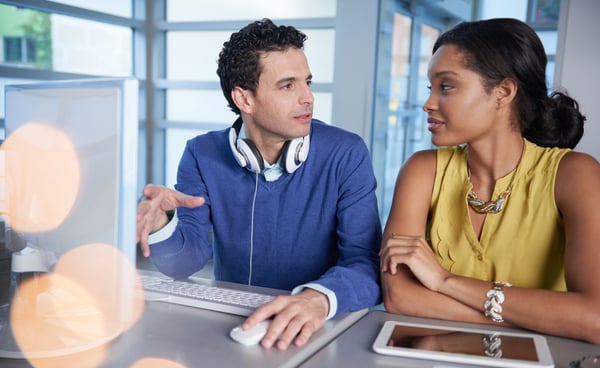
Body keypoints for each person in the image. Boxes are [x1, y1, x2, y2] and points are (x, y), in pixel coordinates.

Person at [136, 18, 382, 350]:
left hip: (317, 328)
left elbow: (365, 262)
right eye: (288, 86)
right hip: (234, 328)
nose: (308, 97)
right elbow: (186, 261)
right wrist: (162, 225)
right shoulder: (201, 153)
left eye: (307, 82)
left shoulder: (346, 152)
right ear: (244, 99)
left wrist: (318, 300)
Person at [380, 18, 600, 344]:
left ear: (503, 93)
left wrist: (444, 281)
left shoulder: (575, 174)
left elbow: (593, 318)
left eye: (447, 87)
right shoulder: (421, 170)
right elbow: (400, 298)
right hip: (428, 363)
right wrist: (541, 318)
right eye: (431, 88)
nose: (428, 104)